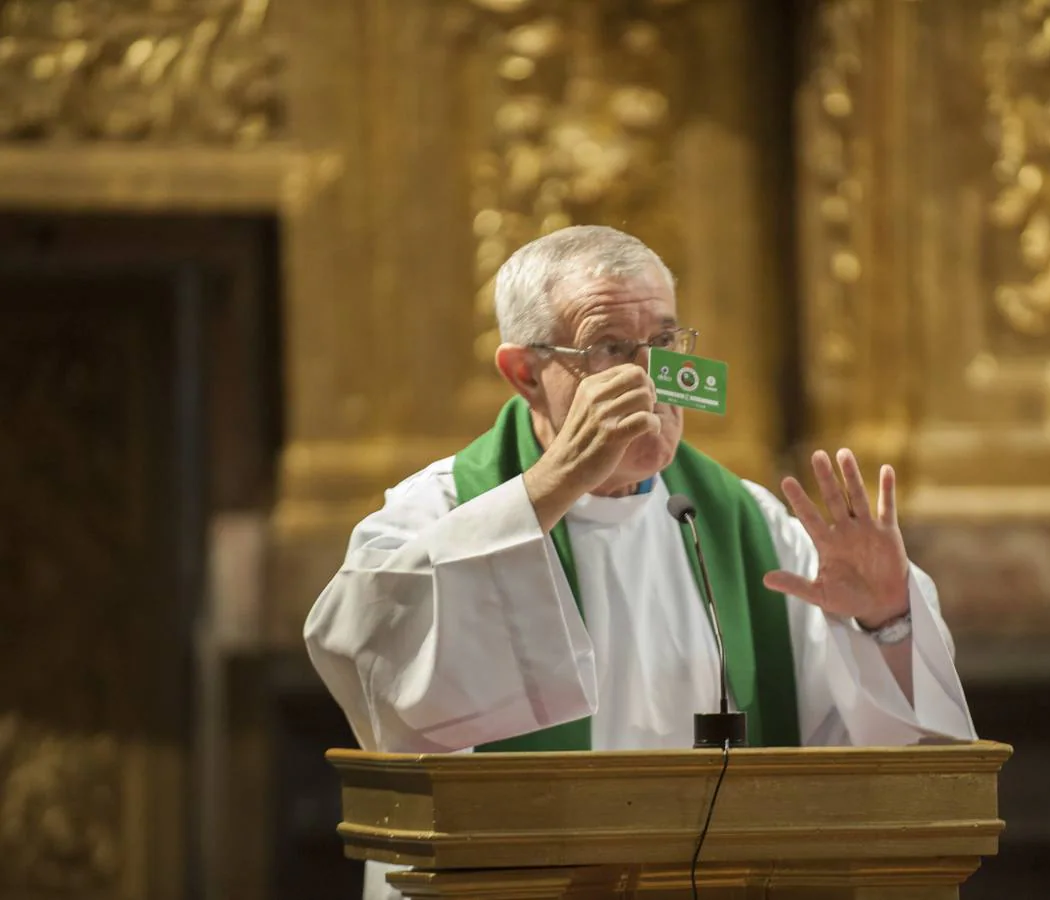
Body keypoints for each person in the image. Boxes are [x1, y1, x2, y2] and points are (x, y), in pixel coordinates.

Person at [303, 225, 975, 899]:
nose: (651, 379)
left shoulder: (753, 525)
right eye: (609, 350)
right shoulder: (443, 507)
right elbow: (366, 663)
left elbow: (884, 766)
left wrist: (887, 621)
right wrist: (555, 483)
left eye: (663, 343)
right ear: (525, 374)